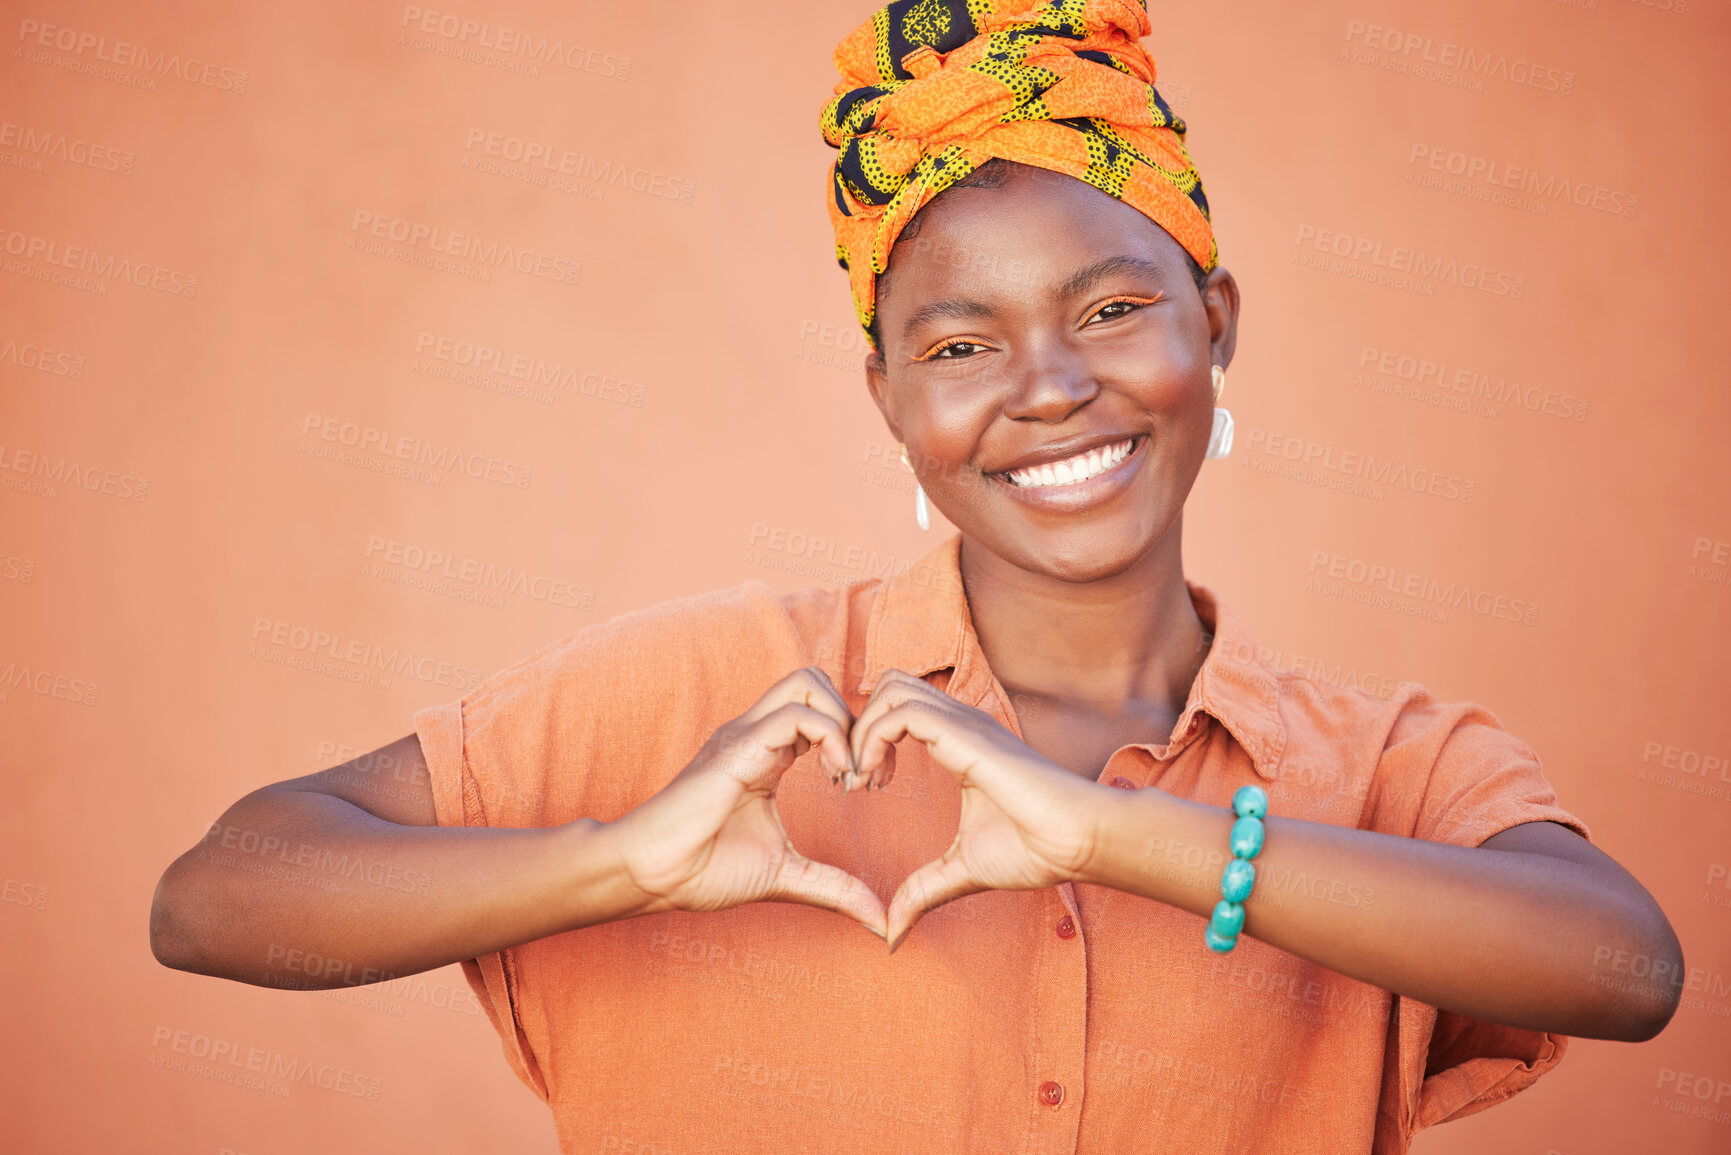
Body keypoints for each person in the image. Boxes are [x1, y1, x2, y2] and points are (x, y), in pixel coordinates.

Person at [149, 2, 1684, 1152]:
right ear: (888, 397)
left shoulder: (1383, 769)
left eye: (1110, 309)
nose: (1048, 386)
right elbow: (219, 899)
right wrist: (620, 860)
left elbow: (1624, 965)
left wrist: (1128, 839)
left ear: (1215, 324)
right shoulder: (702, 699)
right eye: (959, 345)